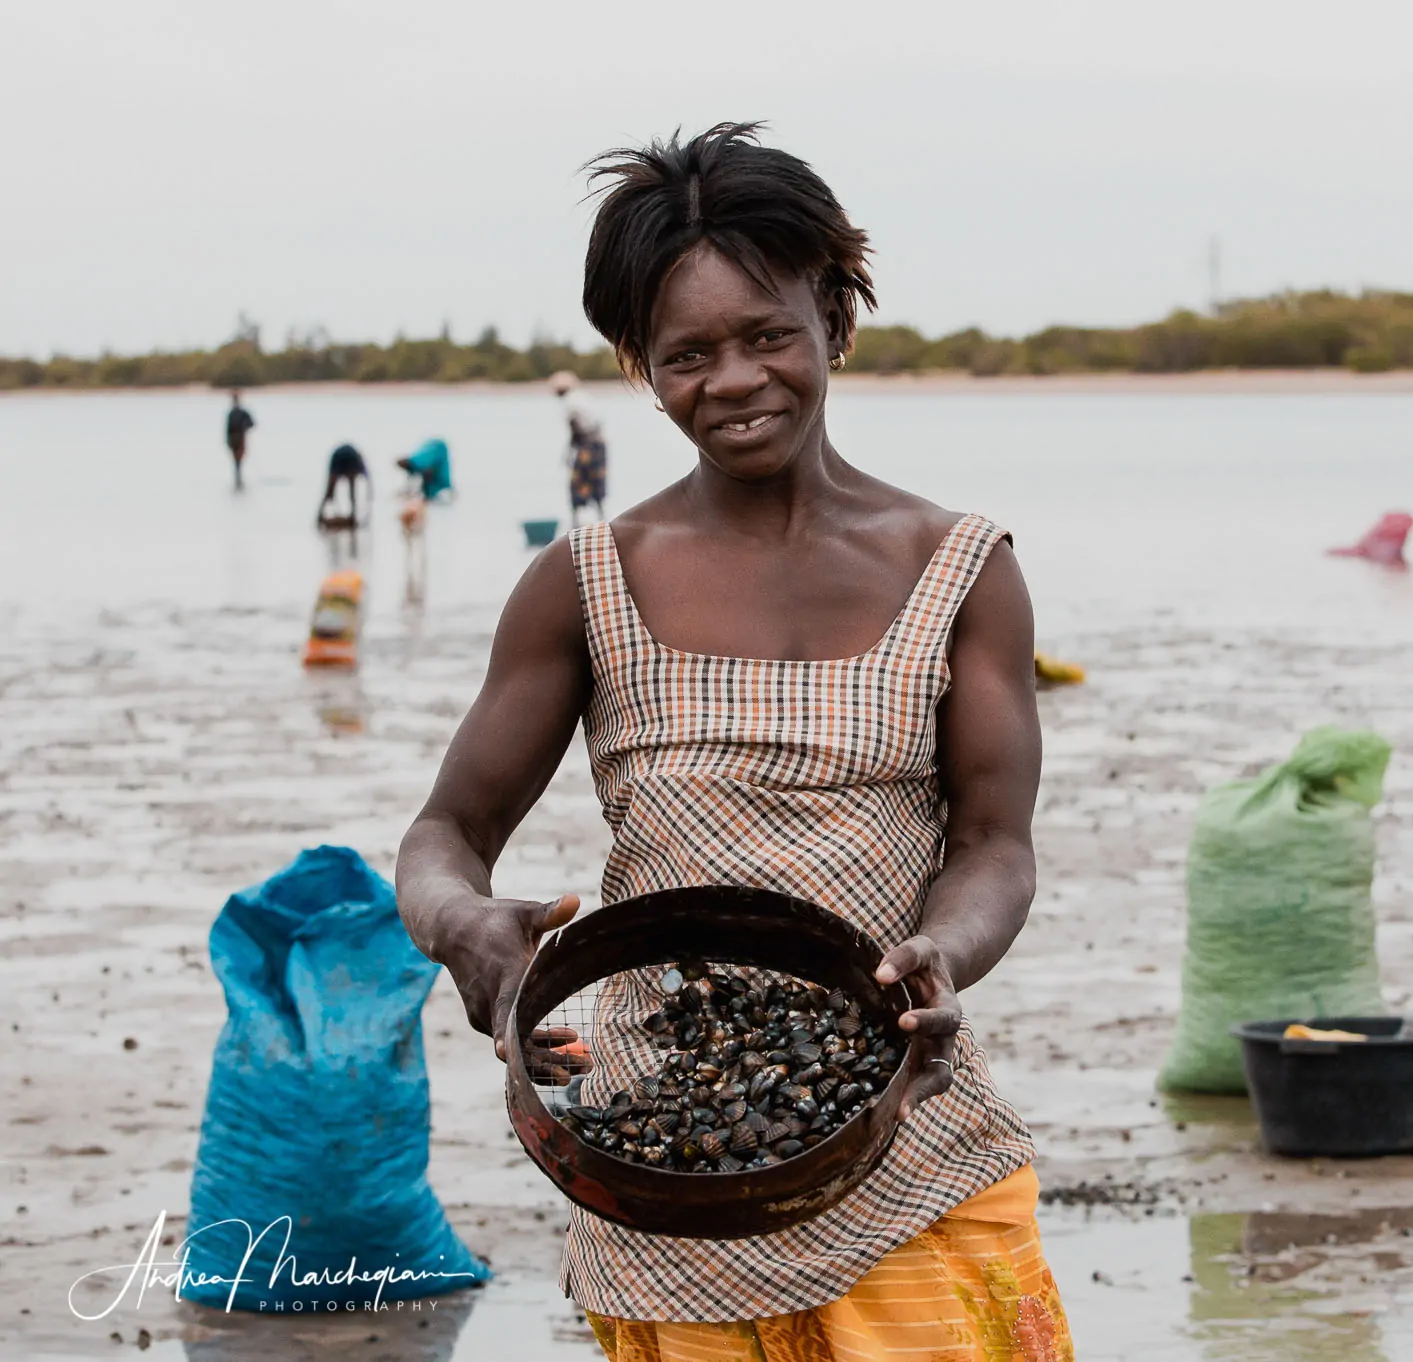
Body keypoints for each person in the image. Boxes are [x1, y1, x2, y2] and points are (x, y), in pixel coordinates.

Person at [393, 123, 1068, 1360]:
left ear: (836, 321)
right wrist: (459, 925)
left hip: (907, 1134)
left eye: (768, 336)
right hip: (665, 1167)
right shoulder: (586, 582)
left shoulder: (959, 569)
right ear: (640, 366)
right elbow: (448, 832)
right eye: (688, 353)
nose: (737, 380)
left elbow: (994, 843)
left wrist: (947, 954)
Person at [552, 371, 610, 523]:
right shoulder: (582, 397)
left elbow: (575, 430)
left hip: (586, 446)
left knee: (578, 483)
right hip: (599, 445)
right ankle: (602, 520)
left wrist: (569, 454)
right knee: (597, 482)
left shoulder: (569, 403)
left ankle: (575, 524)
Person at [316, 443, 371, 527]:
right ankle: (353, 515)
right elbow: (368, 481)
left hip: (345, 457)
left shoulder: (354, 457)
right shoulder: (357, 460)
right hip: (347, 457)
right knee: (351, 492)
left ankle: (319, 517)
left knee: (330, 491)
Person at [224, 390, 255, 490]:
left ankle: (238, 479)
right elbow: (227, 429)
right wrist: (228, 441)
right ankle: (238, 479)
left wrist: (245, 426)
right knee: (236, 460)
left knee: (238, 459)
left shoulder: (242, 413)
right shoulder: (232, 413)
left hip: (240, 438)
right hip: (234, 439)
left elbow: (252, 423)